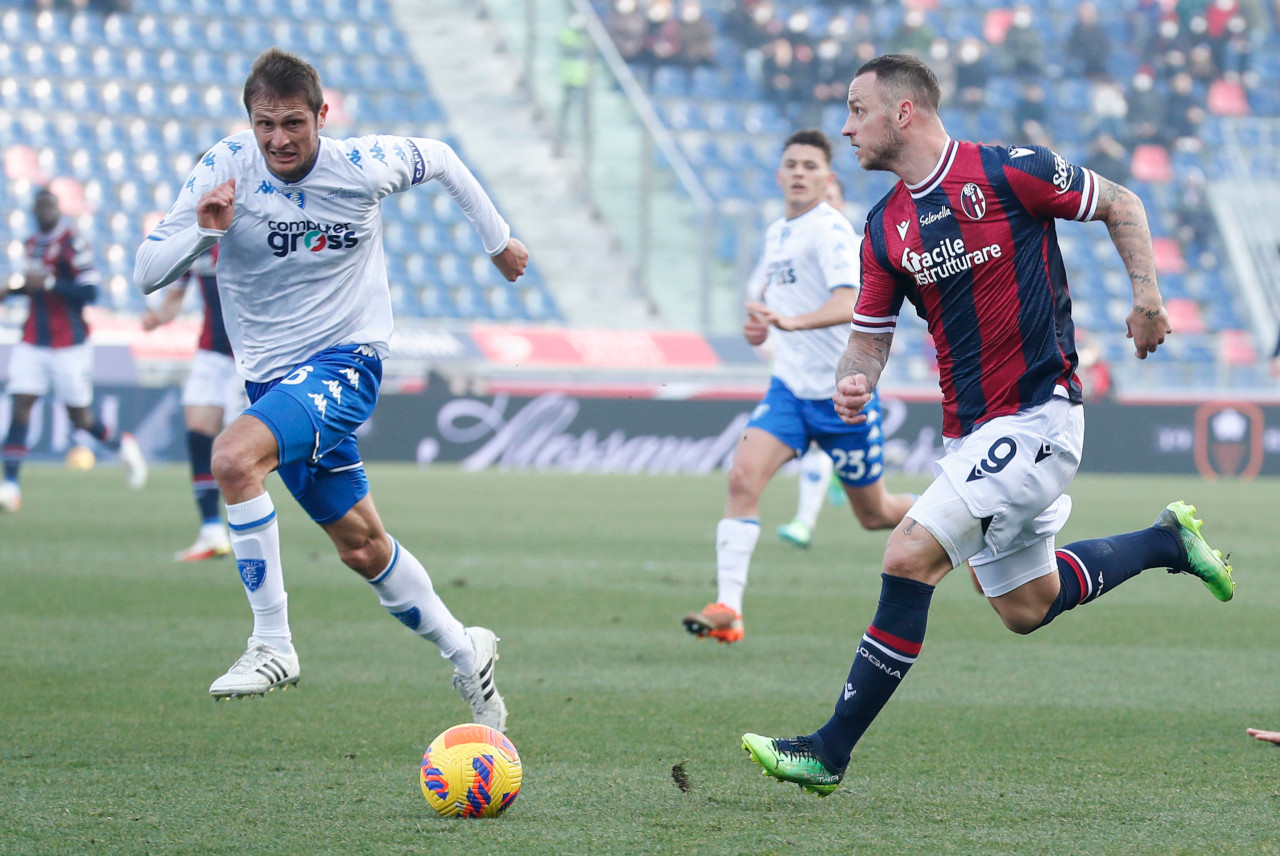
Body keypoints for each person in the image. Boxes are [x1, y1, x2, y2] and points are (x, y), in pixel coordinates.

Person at [741, 54, 1236, 796]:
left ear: (903, 113)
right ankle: (1167, 540)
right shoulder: (884, 228)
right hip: (971, 434)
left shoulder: (1009, 173)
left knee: (908, 555)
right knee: (1025, 607)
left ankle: (829, 750)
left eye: (857, 110)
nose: (847, 128)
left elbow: (1122, 203)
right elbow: (871, 332)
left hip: (1040, 416)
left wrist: (1148, 299)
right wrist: (855, 377)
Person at [134, 48, 529, 730]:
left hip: (346, 363)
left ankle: (273, 643)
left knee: (231, 459)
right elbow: (147, 272)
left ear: (322, 115)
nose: (279, 139)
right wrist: (207, 230)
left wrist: (498, 243)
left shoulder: (361, 165)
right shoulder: (225, 167)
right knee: (361, 546)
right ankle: (468, 652)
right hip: (271, 380)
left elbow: (440, 156)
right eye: (265, 125)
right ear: (249, 122)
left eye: (293, 122)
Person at [681, 129, 915, 644]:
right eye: (792, 164)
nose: (799, 173)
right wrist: (762, 327)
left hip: (841, 395)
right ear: (780, 173)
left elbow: (850, 301)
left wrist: (790, 322)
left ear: (827, 177)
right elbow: (771, 306)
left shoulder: (830, 230)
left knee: (874, 514)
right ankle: (729, 609)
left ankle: (959, 511)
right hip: (788, 390)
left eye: (811, 166)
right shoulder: (777, 233)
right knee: (742, 479)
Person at [1, 187, 147, 513]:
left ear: (58, 208)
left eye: (49, 205)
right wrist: (11, 290)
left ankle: (121, 444)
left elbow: (90, 292)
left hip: (69, 344)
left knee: (80, 418)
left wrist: (50, 284)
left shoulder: (73, 243)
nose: (44, 211)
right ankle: (10, 485)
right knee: (21, 404)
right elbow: (32, 285)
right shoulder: (30, 244)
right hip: (32, 340)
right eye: (39, 206)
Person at [139, 244, 243, 561]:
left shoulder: (256, 230)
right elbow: (175, 298)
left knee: (241, 452)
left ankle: (247, 534)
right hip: (210, 353)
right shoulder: (198, 243)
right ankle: (211, 530)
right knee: (198, 435)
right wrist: (157, 318)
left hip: (252, 356)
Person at [778, 174, 853, 550]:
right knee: (813, 451)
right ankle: (804, 522)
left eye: (831, 197)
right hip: (799, 373)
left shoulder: (853, 247)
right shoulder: (796, 244)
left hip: (844, 371)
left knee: (876, 511)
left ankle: (935, 515)